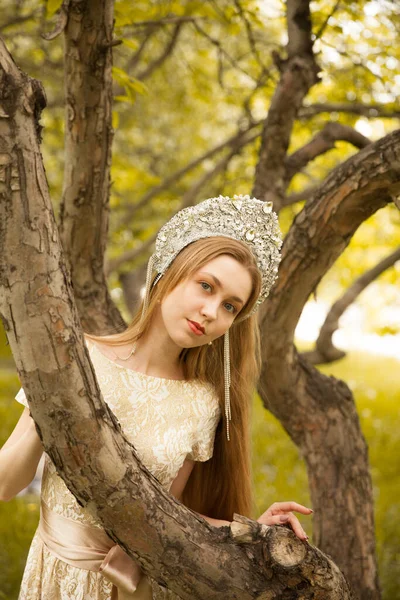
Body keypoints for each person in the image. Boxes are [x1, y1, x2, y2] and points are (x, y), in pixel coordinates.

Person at [0, 194, 313, 599]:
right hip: (56, 576)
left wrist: (256, 532)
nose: (211, 311)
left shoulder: (202, 403)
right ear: (168, 274)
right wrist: (51, 404)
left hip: (133, 587)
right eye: (205, 286)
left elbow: (170, 519)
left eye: (230, 306)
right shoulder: (79, 358)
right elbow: (7, 484)